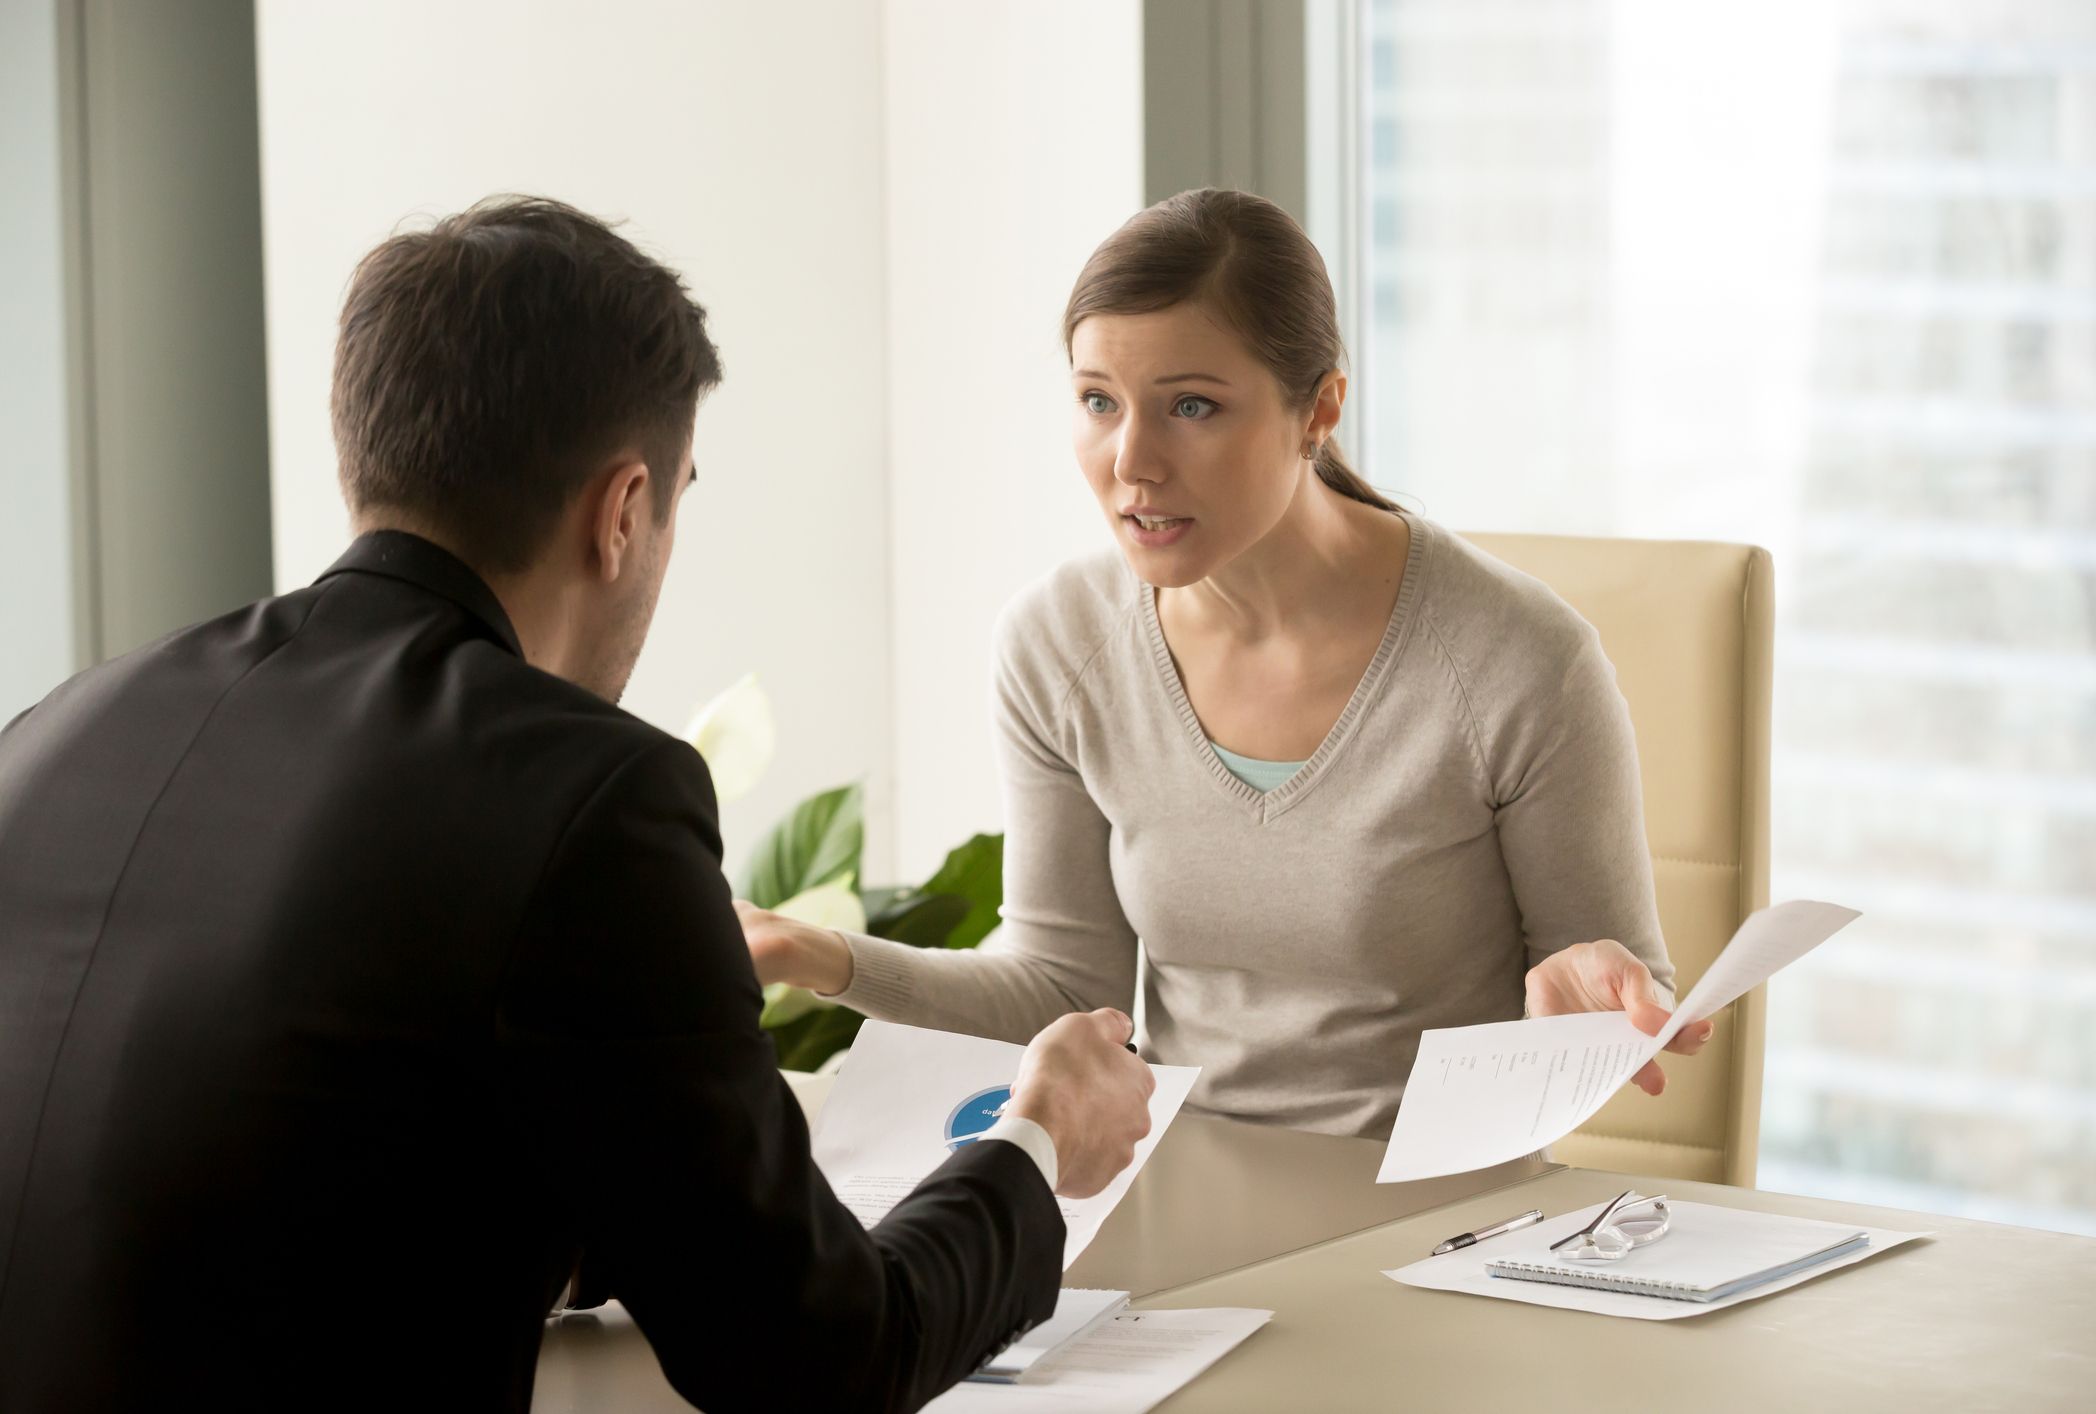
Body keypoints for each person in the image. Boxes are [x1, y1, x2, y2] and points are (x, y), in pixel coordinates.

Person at [0, 196, 1152, 1413]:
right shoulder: (588, 794)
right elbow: (818, 1357)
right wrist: (1030, 1144)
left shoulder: (60, 727)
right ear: (621, 512)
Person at [742, 188, 1711, 1140]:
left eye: (1192, 406)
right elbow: (1062, 989)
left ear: (1319, 409)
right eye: (1097, 402)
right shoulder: (1058, 646)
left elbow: (1621, 994)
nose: (1132, 462)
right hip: (1177, 1204)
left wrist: (1578, 1022)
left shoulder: (1519, 663)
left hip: (1434, 1223)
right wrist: (814, 955)